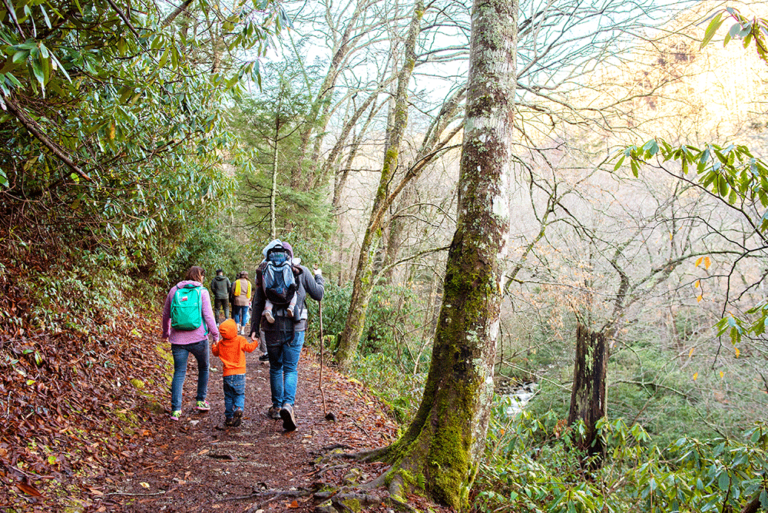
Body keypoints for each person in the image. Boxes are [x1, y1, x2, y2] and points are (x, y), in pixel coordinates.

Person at [250, 240, 324, 431]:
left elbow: (258, 302)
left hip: (271, 326)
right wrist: (319, 277)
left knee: (275, 368)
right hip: (295, 326)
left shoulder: (264, 270)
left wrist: (254, 329)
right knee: (290, 369)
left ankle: (276, 407)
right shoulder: (301, 270)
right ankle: (288, 405)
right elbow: (318, 294)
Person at [161, 266, 219, 421]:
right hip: (199, 338)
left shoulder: (174, 291)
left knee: (179, 372)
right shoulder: (202, 292)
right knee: (204, 368)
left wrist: (166, 333)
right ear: (200, 277)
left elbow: (166, 314)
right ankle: (200, 400)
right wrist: (215, 334)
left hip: (177, 340)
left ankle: (175, 410)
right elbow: (208, 315)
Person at [211, 318, 259, 427]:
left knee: (228, 396)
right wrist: (256, 342)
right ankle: (238, 408)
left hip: (227, 375)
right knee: (239, 394)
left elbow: (215, 353)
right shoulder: (240, 340)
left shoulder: (221, 344)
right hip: (240, 374)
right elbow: (250, 348)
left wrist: (214, 344)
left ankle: (229, 417)